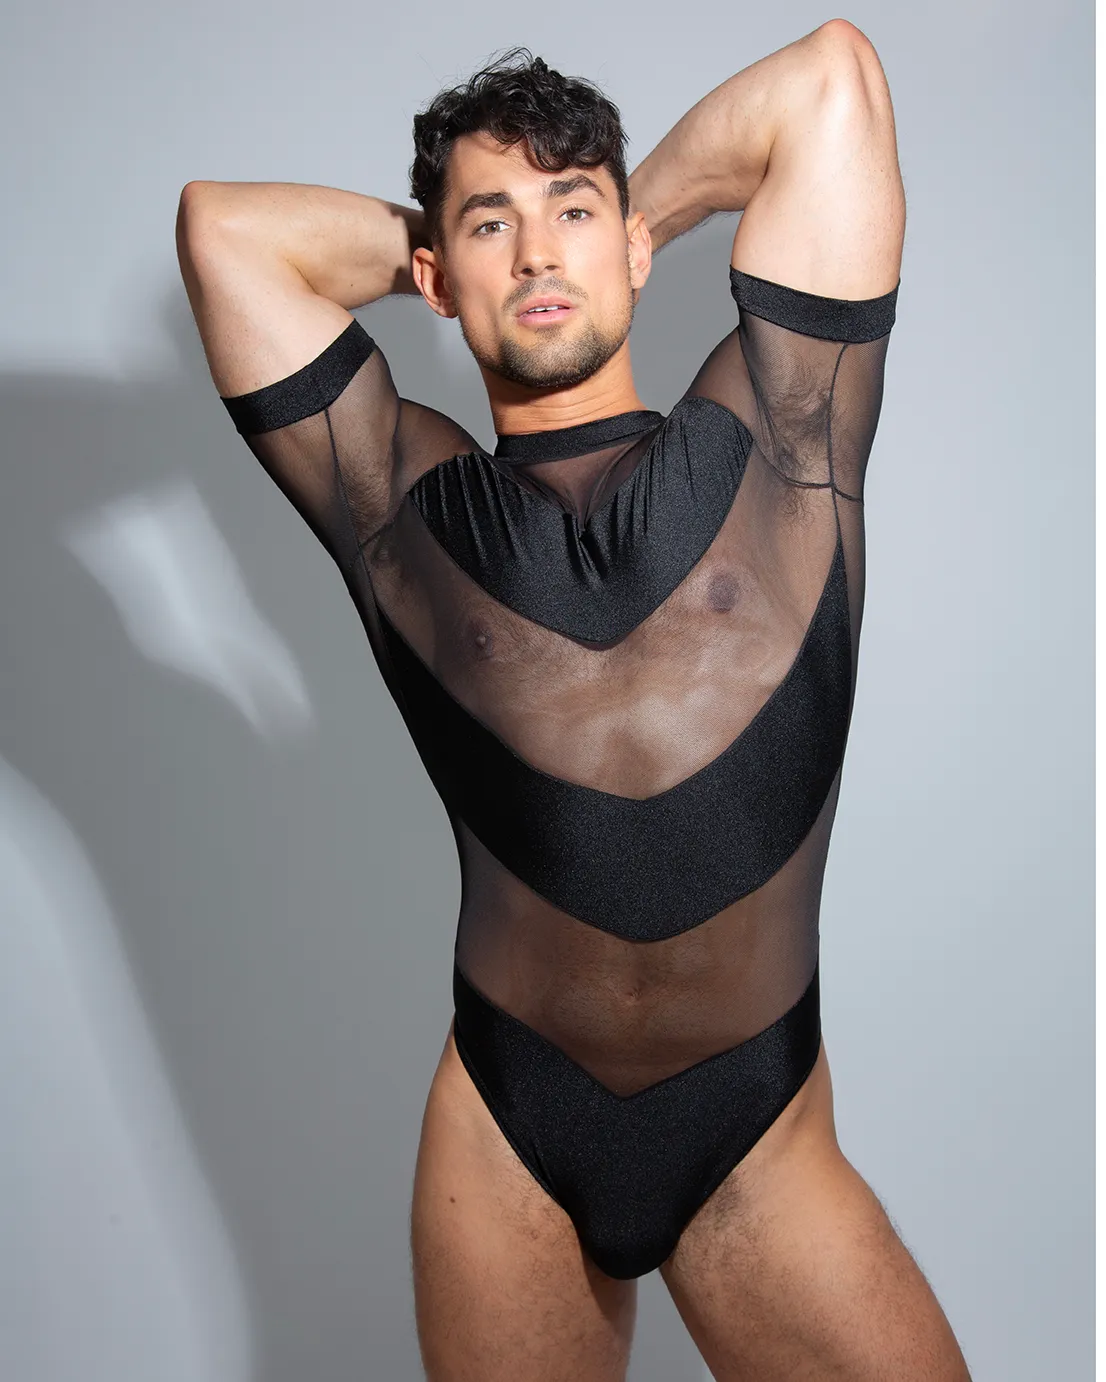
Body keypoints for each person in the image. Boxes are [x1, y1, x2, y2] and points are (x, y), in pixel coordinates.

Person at [176, 21, 971, 1381]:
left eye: (573, 213)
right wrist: (457, 242)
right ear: (439, 277)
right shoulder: (399, 508)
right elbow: (222, 231)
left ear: (636, 246)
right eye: (493, 224)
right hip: (510, 1123)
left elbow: (831, 79)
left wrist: (604, 218)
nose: (539, 253)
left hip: (754, 1124)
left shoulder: (784, 437)